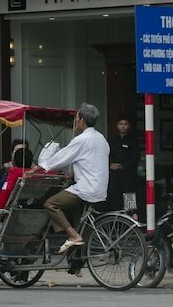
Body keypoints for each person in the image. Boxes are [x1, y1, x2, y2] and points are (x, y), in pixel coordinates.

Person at [31, 103, 109, 253]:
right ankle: (75, 261)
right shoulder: (101, 139)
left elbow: (61, 157)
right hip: (99, 188)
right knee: (80, 221)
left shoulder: (82, 139)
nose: (76, 121)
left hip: (86, 189)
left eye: (77, 117)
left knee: (51, 203)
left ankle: (73, 236)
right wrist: (72, 174)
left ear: (82, 120)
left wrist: (39, 168)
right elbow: (92, 162)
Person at [107, 115, 140, 211]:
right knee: (115, 200)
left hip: (129, 176)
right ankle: (115, 221)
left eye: (125, 124)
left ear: (129, 126)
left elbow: (135, 158)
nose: (123, 126)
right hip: (115, 177)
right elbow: (107, 155)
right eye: (120, 124)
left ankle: (131, 220)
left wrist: (123, 166)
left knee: (129, 201)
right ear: (117, 126)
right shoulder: (112, 141)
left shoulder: (133, 141)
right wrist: (110, 165)